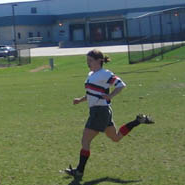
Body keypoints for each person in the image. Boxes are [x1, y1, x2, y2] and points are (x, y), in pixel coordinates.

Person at [65, 49, 154, 178]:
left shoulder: (104, 73)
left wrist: (111, 95)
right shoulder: (91, 74)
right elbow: (92, 93)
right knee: (115, 137)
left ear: (99, 61)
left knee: (85, 140)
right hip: (102, 111)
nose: (88, 63)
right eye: (87, 60)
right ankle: (138, 121)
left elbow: (121, 84)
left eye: (90, 60)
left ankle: (79, 171)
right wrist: (80, 100)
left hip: (99, 112)